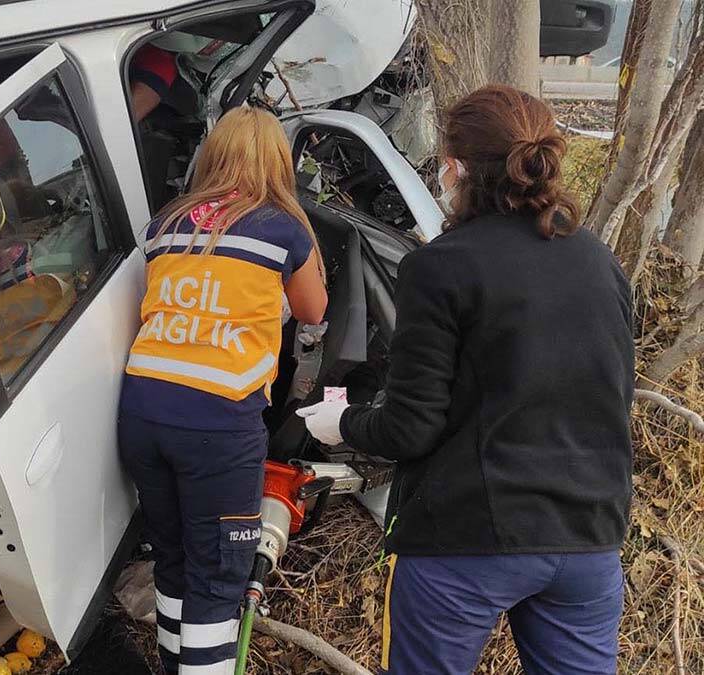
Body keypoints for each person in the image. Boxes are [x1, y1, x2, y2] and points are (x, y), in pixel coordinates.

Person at [299, 85, 634, 675]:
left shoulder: (440, 265)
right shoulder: (600, 261)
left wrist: (341, 422)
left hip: (468, 537)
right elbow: (612, 397)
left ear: (455, 168)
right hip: (589, 537)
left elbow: (410, 427)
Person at [120, 106, 328, 675]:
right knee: (217, 577)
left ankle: (175, 664)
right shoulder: (282, 228)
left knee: (172, 560)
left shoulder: (165, 224)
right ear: (278, 163)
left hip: (143, 411)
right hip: (217, 423)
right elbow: (314, 310)